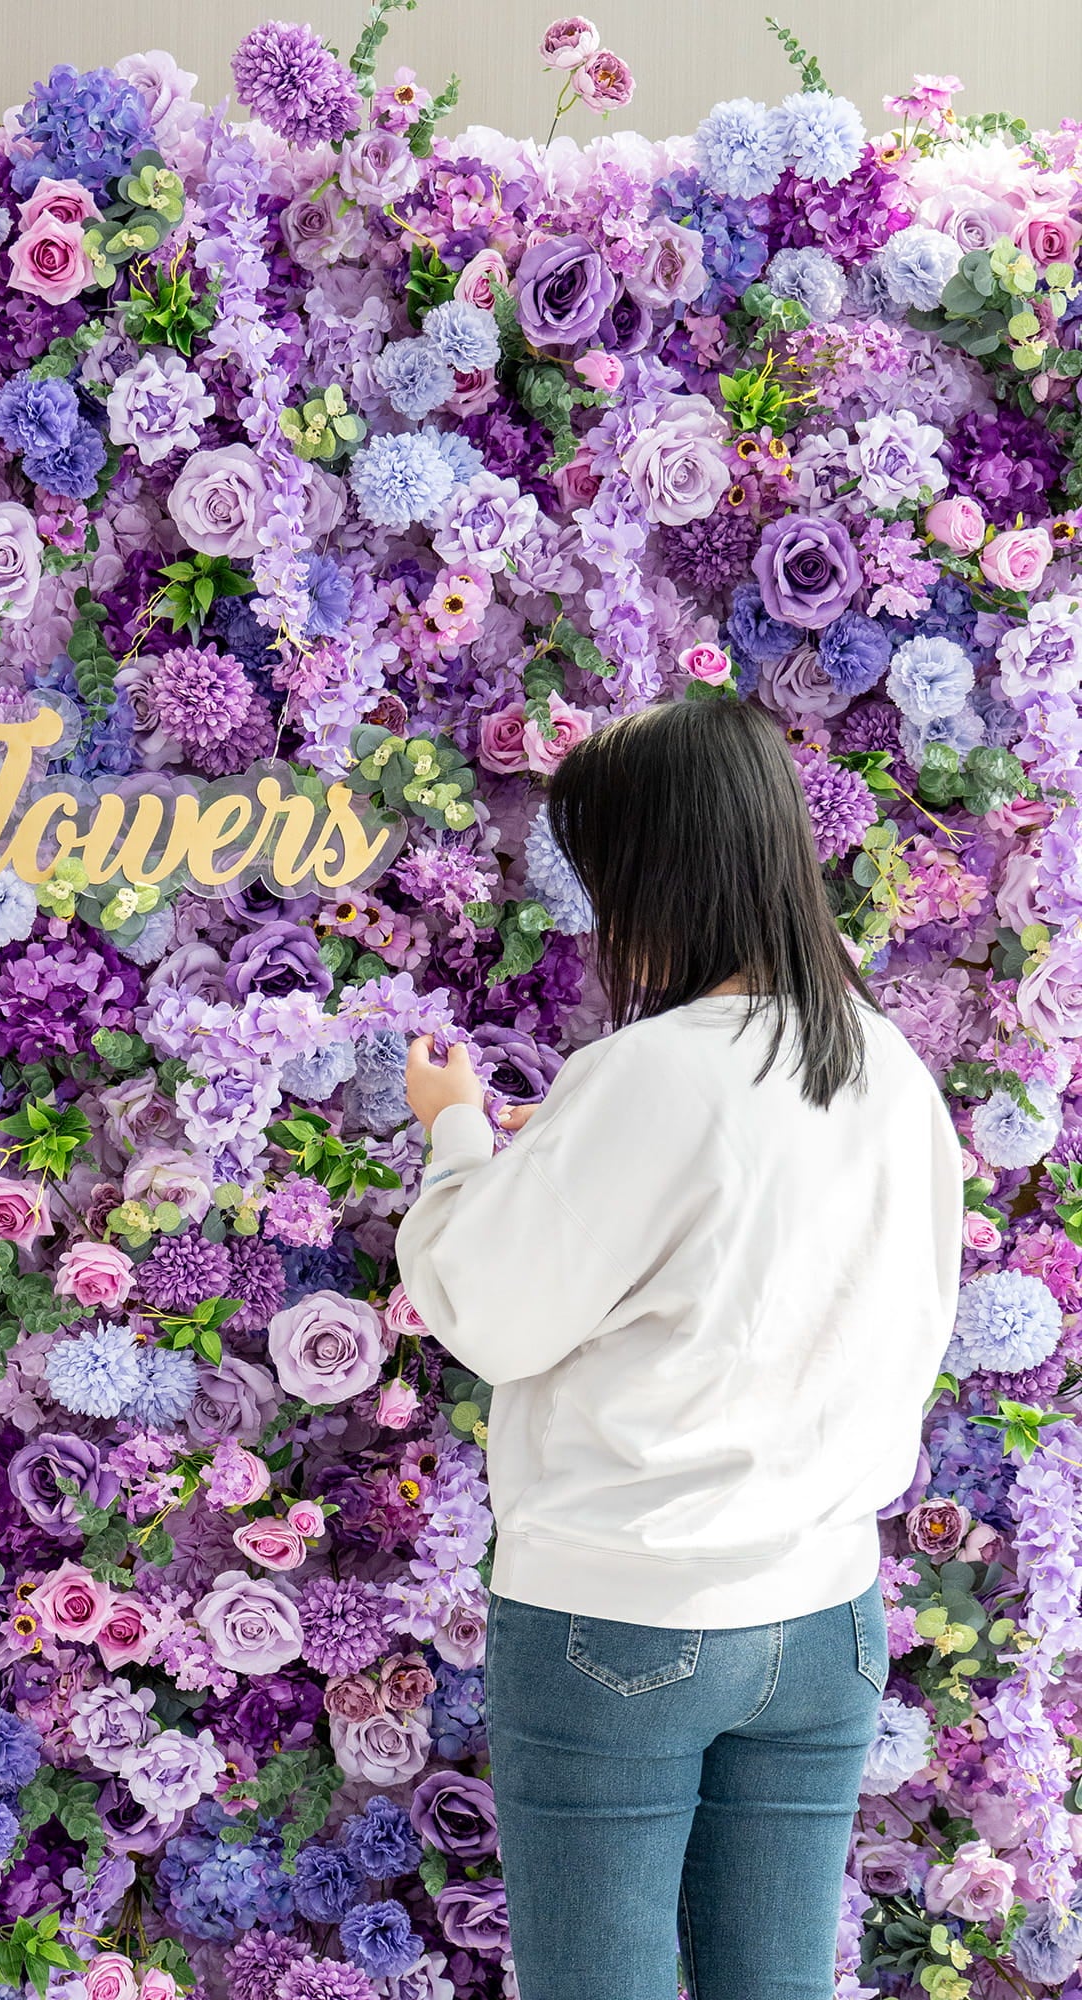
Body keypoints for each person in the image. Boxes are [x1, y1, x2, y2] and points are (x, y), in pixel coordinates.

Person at [396, 700, 961, 2000]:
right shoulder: (883, 1067)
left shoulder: (651, 1071)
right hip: (823, 1611)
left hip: (624, 1613)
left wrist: (458, 1136)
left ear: (655, 872)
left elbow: (489, 1311)